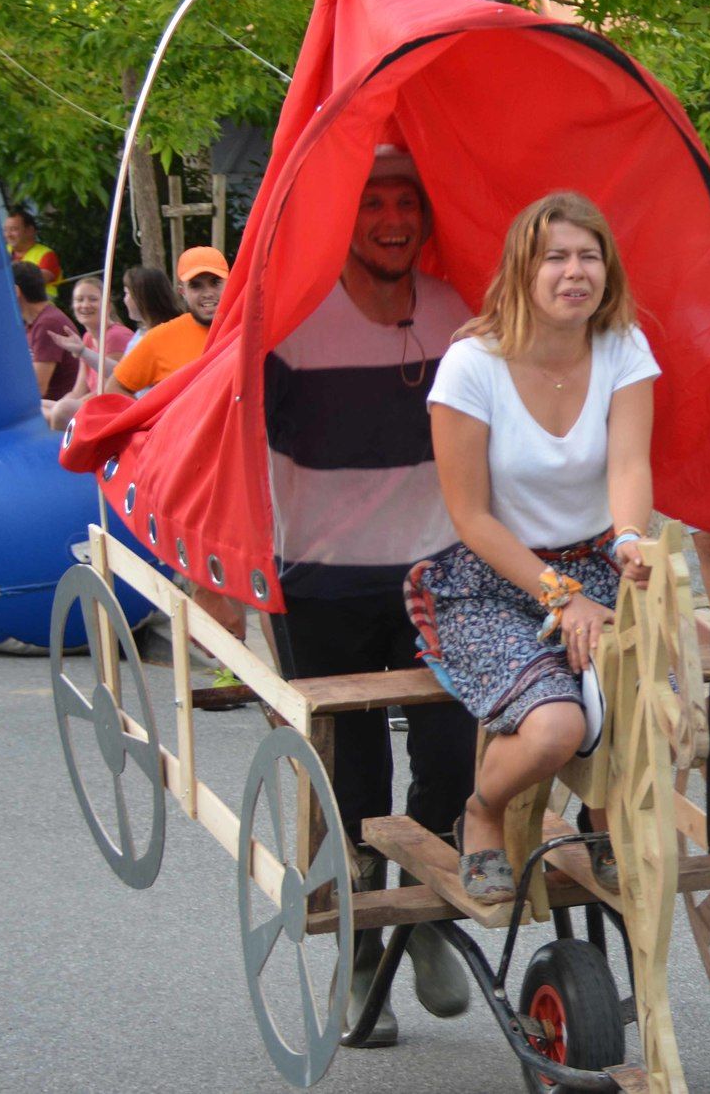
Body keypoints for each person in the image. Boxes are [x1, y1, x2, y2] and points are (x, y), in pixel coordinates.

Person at [266, 148, 478, 1043]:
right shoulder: (294, 322)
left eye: (406, 203)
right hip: (320, 577)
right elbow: (234, 442)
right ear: (341, 221)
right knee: (352, 773)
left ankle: (424, 910)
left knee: (455, 756)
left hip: (437, 572)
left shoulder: (458, 316)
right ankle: (362, 953)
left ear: (426, 219)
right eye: (371, 204)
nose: (391, 219)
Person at [422, 188, 656, 906]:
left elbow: (627, 466)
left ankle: (601, 812)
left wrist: (630, 540)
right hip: (494, 576)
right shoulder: (471, 365)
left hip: (595, 562)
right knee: (558, 726)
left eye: (589, 256)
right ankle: (482, 811)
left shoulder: (623, 347)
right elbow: (470, 516)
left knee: (648, 705)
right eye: (555, 256)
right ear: (523, 269)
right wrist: (563, 596)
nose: (574, 271)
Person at [106, 246, 229, 396]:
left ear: (230, 283)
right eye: (195, 286)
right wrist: (152, 420)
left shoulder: (250, 327)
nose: (208, 293)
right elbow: (115, 388)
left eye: (215, 282)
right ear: (182, 292)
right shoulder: (160, 338)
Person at [43, 276, 134, 430]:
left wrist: (62, 406)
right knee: (37, 406)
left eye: (92, 299)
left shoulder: (116, 336)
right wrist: (64, 402)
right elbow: (79, 390)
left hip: (111, 407)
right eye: (79, 300)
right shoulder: (87, 338)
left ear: (107, 306)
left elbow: (110, 390)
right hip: (91, 402)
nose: (85, 305)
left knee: (60, 410)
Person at [12, 260, 79, 400]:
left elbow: (38, 388)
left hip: (53, 410)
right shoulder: (35, 322)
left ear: (15, 291)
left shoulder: (48, 324)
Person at [119, 265, 181, 357]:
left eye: (127, 293)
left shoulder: (164, 336)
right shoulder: (142, 332)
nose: (124, 299)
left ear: (142, 297)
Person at [3, 208, 61, 298]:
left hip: (41, 310)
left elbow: (32, 283)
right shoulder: (2, 252)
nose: (8, 235)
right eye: (5, 230)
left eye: (13, 229)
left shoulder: (46, 254)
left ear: (30, 230)